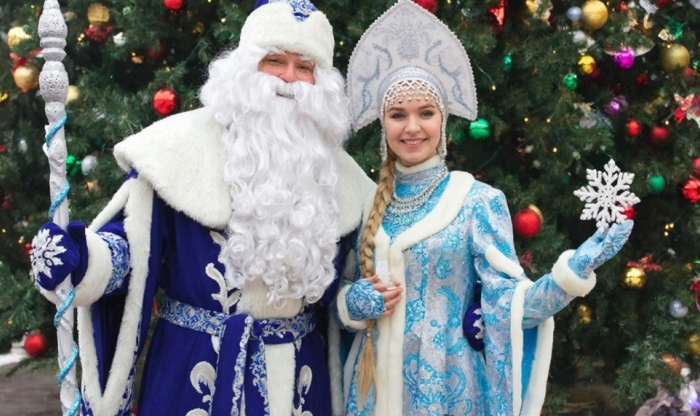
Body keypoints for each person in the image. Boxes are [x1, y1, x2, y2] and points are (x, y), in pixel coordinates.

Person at [29, 0, 375, 414]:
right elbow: (131, 247)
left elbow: (353, 286)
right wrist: (83, 259)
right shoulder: (176, 149)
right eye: (275, 61)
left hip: (303, 384)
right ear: (246, 68)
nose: (288, 78)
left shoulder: (342, 178)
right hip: (190, 377)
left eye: (305, 68)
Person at [332, 1, 634, 415]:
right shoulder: (368, 202)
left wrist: (571, 276)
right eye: (398, 115)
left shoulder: (476, 200)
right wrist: (352, 303)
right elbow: (337, 299)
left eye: (425, 113)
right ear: (384, 124)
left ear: (443, 121)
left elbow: (509, 306)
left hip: (445, 392)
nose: (412, 127)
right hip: (370, 393)